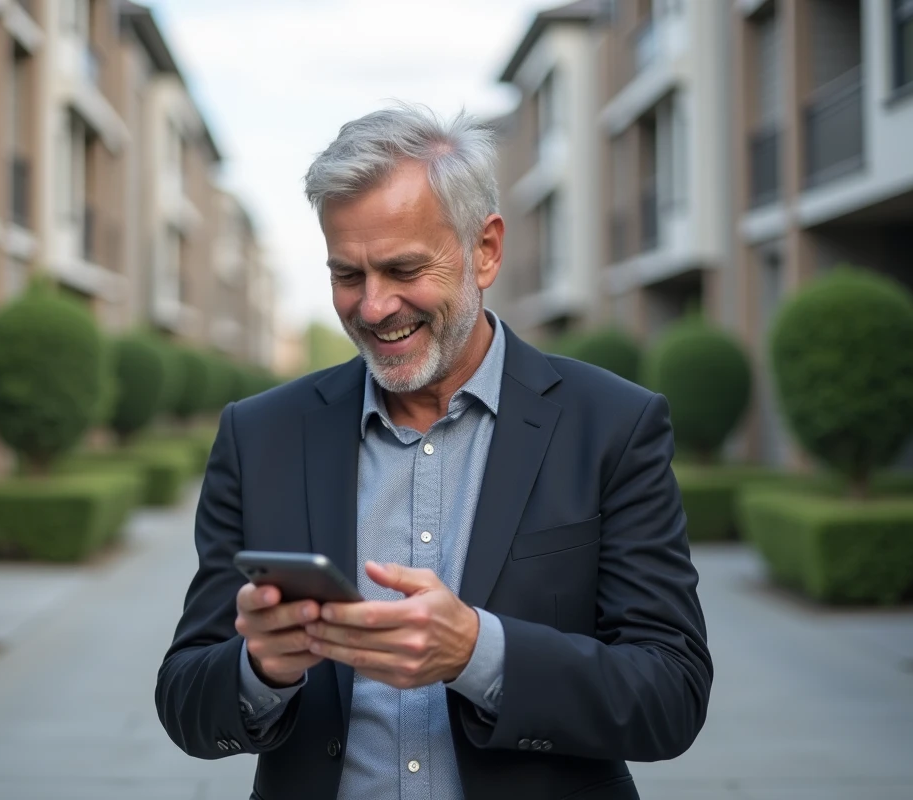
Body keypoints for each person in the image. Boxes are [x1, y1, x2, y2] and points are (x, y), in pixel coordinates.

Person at [155, 103, 711, 800]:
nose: (374, 306)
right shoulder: (260, 434)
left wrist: (479, 653)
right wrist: (260, 669)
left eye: (403, 268)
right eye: (347, 275)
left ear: (485, 250)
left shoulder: (612, 426)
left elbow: (672, 696)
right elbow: (184, 700)